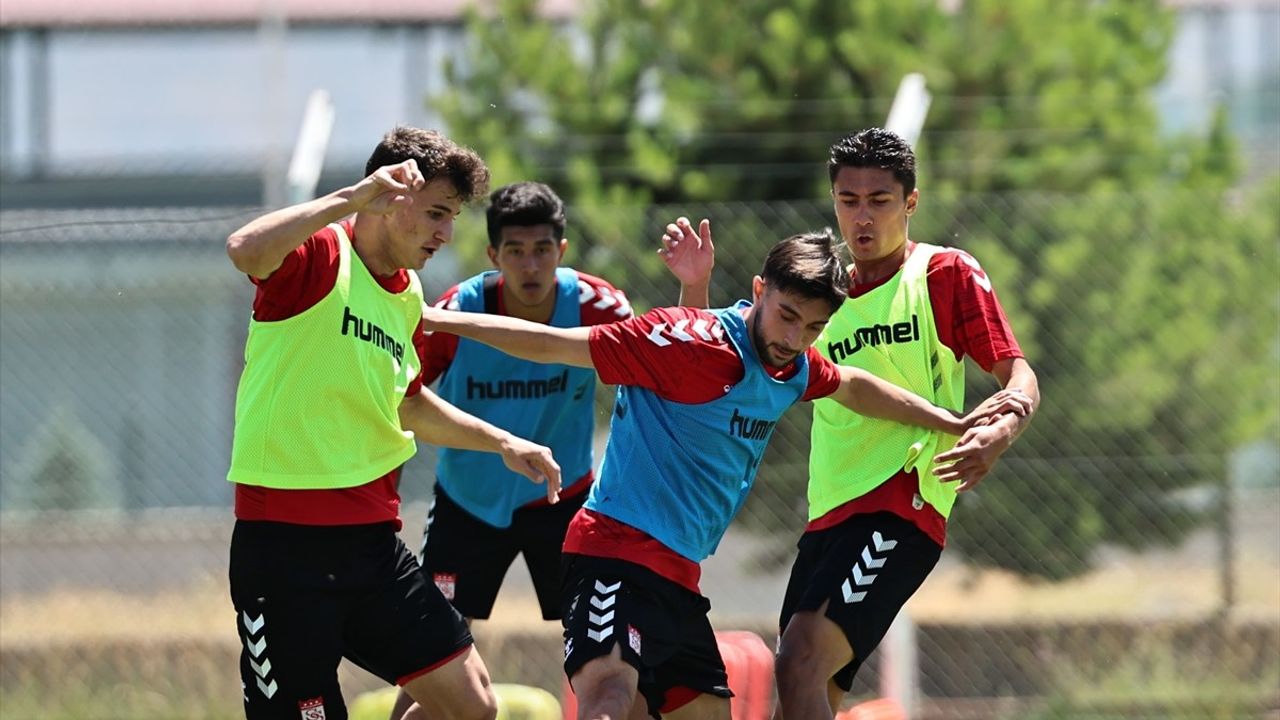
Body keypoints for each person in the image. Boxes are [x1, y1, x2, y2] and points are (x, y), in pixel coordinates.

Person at [420, 230, 1031, 720]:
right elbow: (554, 343)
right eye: (786, 316)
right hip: (614, 554)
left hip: (680, 580)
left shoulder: (792, 366)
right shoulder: (687, 340)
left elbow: (858, 387)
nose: (795, 339)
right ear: (760, 289)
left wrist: (946, 422)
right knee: (608, 695)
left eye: (813, 328)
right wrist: (438, 321)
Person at [223, 126, 562, 720]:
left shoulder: (407, 294)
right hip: (284, 551)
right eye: (435, 213)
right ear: (389, 195)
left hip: (371, 548)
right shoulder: (322, 254)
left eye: (451, 217)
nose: (445, 234)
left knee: (473, 705)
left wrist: (502, 441)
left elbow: (406, 404)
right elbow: (245, 249)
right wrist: (350, 197)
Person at [766, 127, 1041, 719]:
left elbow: (1017, 374)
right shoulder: (822, 290)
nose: (861, 218)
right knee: (798, 695)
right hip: (829, 507)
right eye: (848, 201)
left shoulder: (945, 275)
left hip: (904, 498)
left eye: (879, 201)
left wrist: (1002, 426)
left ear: (910, 202)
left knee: (800, 662)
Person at [388, 181, 633, 720]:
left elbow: (653, 387)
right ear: (493, 256)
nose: (530, 265)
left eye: (542, 249)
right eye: (515, 252)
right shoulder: (457, 314)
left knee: (609, 651)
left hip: (563, 498)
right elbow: (400, 397)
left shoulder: (598, 307)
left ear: (561, 252)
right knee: (433, 659)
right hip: (468, 501)